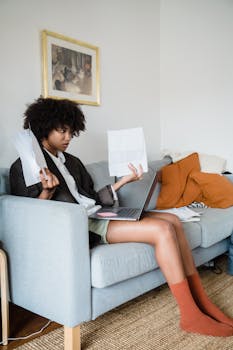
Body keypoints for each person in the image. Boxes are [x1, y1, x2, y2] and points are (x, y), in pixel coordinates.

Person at [10, 97, 233, 337]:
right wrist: (47, 191)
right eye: (62, 131)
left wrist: (124, 181)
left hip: (97, 213)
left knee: (173, 221)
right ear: (44, 128)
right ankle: (190, 314)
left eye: (71, 132)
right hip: (82, 225)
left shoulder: (72, 162)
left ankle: (201, 300)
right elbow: (32, 219)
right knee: (162, 230)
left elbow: (92, 197)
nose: (68, 138)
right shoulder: (26, 166)